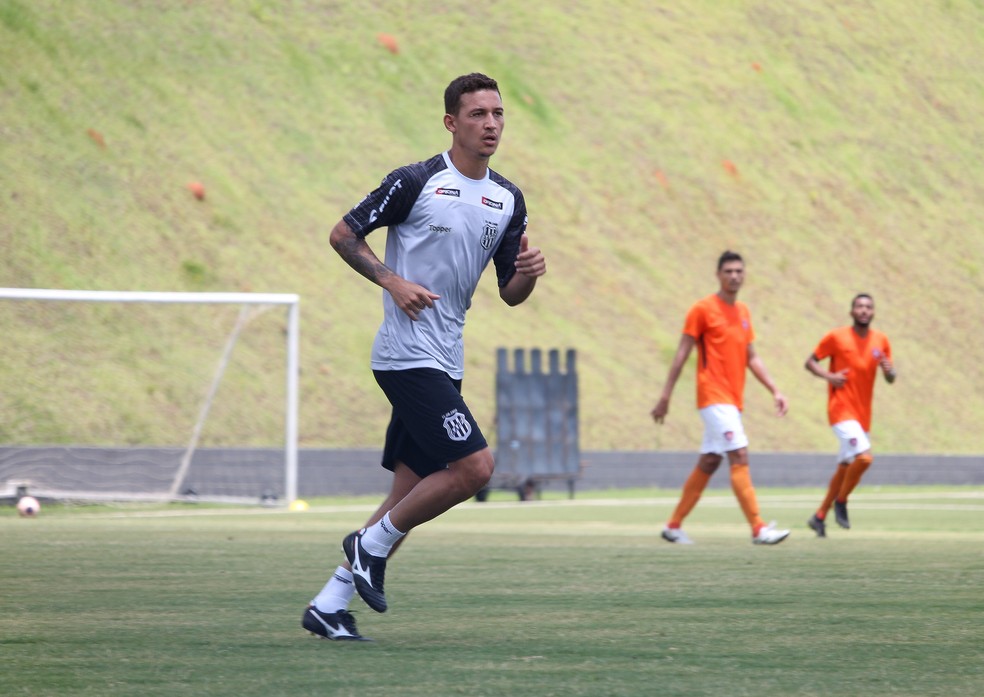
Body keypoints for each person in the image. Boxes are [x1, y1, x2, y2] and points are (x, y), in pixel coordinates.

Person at [302, 73, 547, 641]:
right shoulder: (415, 181)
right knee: (476, 468)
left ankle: (330, 604)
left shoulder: (507, 199)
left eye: (498, 113)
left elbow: (510, 292)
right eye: (478, 114)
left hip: (446, 358)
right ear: (451, 123)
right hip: (404, 356)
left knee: (407, 496)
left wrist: (529, 277)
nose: (491, 123)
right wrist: (392, 281)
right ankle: (369, 546)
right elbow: (343, 234)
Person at [650, 251, 790, 545]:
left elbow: (752, 357)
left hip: (732, 401)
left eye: (739, 271)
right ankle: (758, 528)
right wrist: (666, 396)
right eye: (728, 271)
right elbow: (681, 355)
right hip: (713, 397)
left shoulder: (743, 313)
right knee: (739, 454)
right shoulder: (702, 309)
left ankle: (673, 526)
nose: (734, 276)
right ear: (718, 274)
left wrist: (775, 390)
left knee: (711, 461)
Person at [805, 294, 895, 537]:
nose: (864, 311)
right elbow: (810, 362)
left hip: (863, 415)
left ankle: (819, 516)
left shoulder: (881, 341)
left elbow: (890, 377)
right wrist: (829, 377)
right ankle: (841, 501)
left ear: (873, 312)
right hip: (841, 410)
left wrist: (889, 371)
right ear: (851, 311)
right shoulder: (837, 337)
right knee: (864, 459)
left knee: (845, 467)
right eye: (859, 307)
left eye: (868, 307)